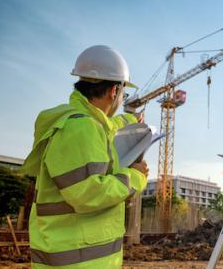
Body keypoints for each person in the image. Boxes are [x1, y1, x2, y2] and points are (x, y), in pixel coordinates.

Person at [23, 45, 148, 268]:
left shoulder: (85, 124)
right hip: (76, 261)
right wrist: (135, 177)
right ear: (113, 91)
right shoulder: (80, 128)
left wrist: (130, 121)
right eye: (123, 93)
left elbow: (107, 126)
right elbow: (89, 193)